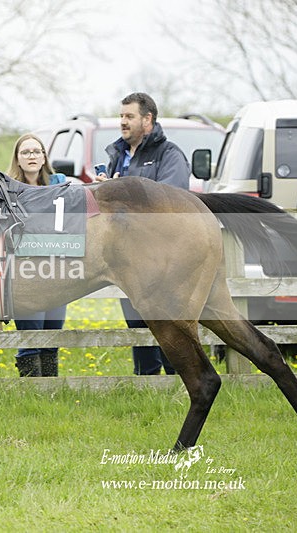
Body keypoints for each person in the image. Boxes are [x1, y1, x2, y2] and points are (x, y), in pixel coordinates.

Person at [96, 92, 189, 375]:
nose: (122, 122)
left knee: (170, 328)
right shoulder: (117, 154)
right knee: (137, 327)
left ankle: (179, 384)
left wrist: (121, 191)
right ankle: (145, 386)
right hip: (127, 259)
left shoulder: (169, 154)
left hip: (163, 259)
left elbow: (171, 200)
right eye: (121, 116)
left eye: (129, 116)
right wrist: (104, 189)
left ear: (147, 119)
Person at [7, 133, 66, 377]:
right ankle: (31, 388)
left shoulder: (60, 183)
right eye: (25, 152)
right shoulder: (7, 188)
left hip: (57, 271)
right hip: (26, 272)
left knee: (52, 335)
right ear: (18, 159)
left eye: (36, 151)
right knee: (31, 336)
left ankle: (50, 387)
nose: (31, 156)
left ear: (44, 157)